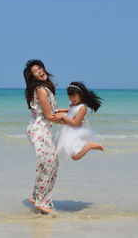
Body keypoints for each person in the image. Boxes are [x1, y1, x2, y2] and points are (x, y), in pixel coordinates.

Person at [24, 59, 61, 215]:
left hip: (43, 128)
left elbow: (55, 110)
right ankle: (41, 201)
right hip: (38, 129)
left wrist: (75, 109)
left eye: (40, 68)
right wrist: (72, 121)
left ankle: (36, 197)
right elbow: (50, 116)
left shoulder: (46, 89)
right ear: (32, 78)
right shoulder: (40, 90)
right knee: (47, 163)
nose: (39, 71)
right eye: (35, 72)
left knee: (53, 162)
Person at [54, 82, 104, 160]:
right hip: (68, 129)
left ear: (81, 95)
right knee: (66, 150)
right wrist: (62, 110)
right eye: (70, 96)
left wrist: (63, 116)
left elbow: (76, 123)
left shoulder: (83, 108)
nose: (71, 99)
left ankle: (90, 145)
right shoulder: (74, 104)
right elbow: (72, 110)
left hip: (76, 131)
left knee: (75, 156)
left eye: (74, 96)